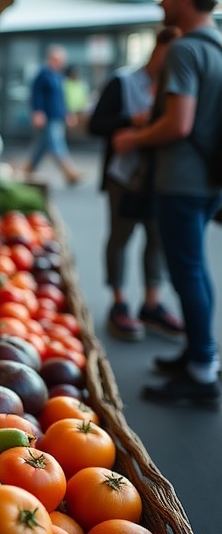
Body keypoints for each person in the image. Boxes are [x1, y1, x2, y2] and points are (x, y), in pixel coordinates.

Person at [113, 0, 222, 408]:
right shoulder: (218, 48)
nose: (162, 2)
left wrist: (133, 138)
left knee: (187, 271)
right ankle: (199, 355)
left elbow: (179, 124)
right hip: (210, 179)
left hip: (181, 180)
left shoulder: (185, 50)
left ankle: (202, 372)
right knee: (196, 268)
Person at [88, 26, 184, 343]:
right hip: (125, 177)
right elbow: (96, 124)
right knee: (121, 235)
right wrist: (133, 122)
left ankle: (152, 303)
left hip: (161, 177)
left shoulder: (179, 87)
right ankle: (119, 301)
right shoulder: (123, 81)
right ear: (159, 49)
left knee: (157, 238)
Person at [26, 46, 84, 185]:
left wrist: (67, 113)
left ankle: (27, 170)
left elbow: (61, 98)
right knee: (57, 144)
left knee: (42, 146)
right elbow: (37, 95)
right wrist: (38, 112)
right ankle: (69, 172)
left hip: (57, 116)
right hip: (48, 117)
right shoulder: (43, 74)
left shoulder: (58, 76)